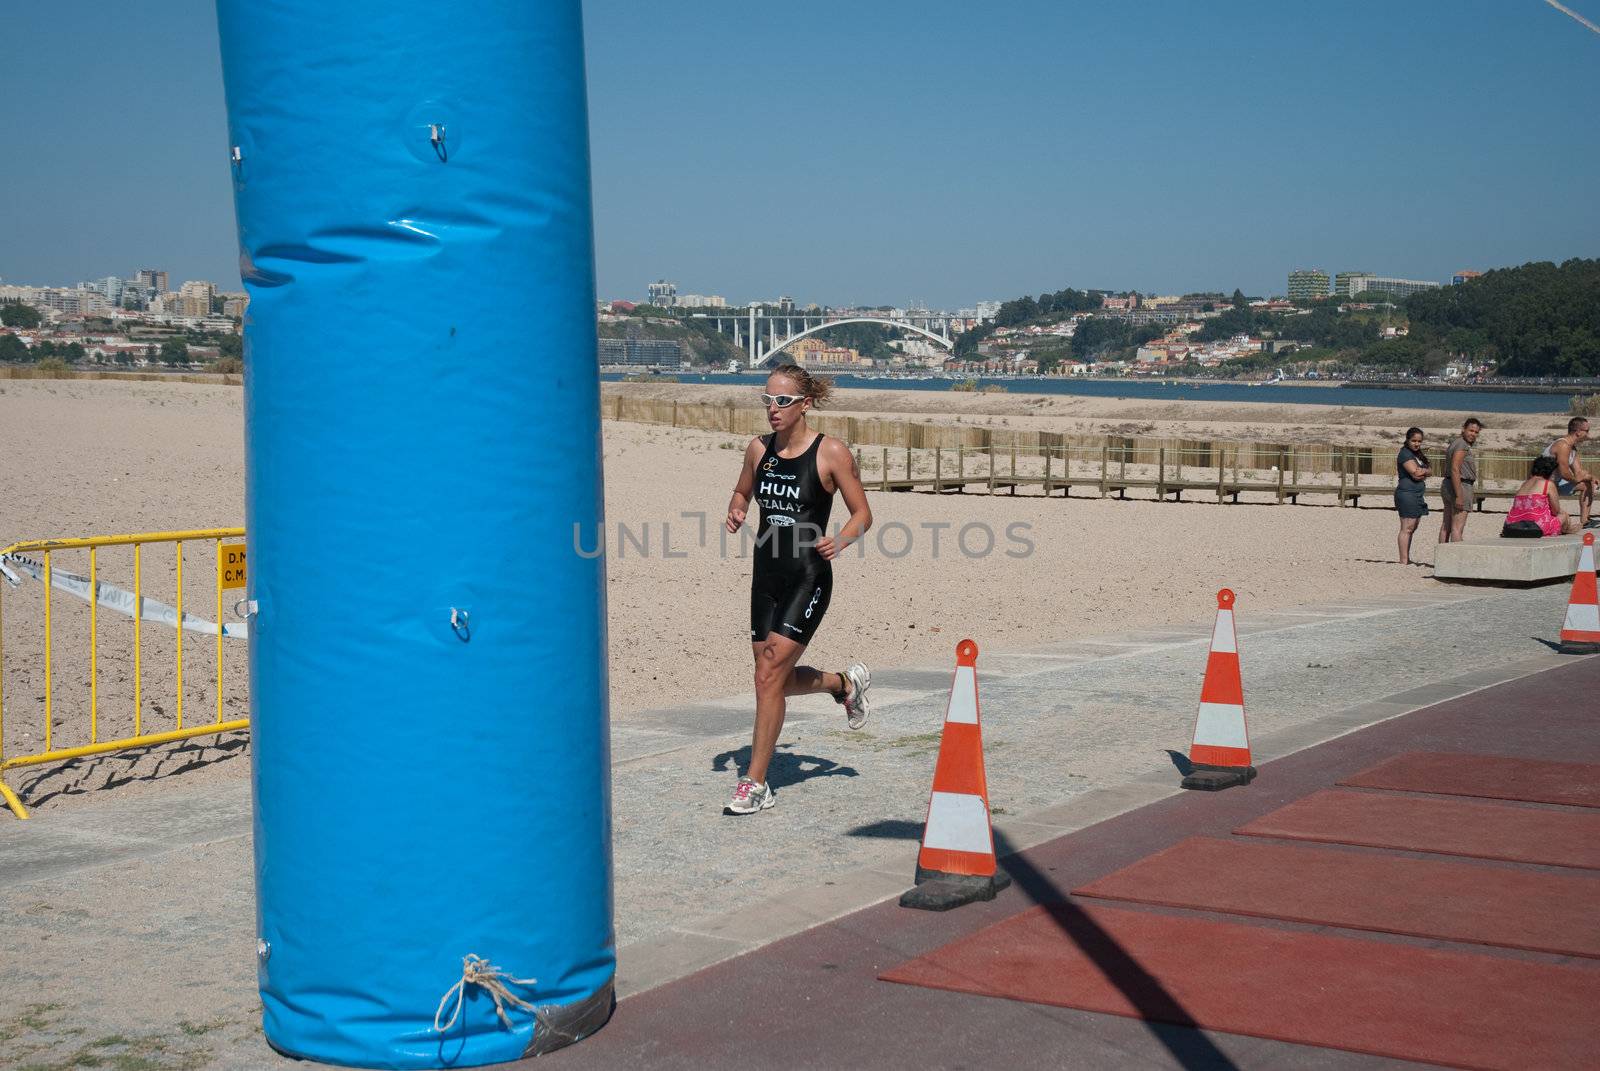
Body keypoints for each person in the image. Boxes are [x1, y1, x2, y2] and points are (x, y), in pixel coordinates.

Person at [722, 363, 874, 816]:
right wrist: (735, 509)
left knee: (768, 675)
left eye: (782, 401)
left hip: (809, 576)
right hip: (766, 575)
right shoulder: (758, 450)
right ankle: (843, 684)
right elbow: (742, 492)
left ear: (804, 404)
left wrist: (842, 539)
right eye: (767, 399)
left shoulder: (830, 454)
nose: (773, 409)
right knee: (774, 679)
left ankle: (756, 783)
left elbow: (863, 513)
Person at [1502, 455, 1578, 537]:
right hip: (1536, 526)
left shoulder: (1525, 484)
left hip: (1512, 525)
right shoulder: (1547, 484)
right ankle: (1568, 530)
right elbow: (1556, 511)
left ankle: (1568, 529)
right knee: (1563, 515)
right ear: (1550, 472)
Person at [1542, 416, 1596, 529]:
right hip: (1543, 486)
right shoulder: (1563, 445)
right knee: (1564, 521)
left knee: (1588, 484)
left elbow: (1579, 471)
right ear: (1578, 432)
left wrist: (1591, 477)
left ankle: (1585, 521)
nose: (1588, 434)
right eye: (1587, 431)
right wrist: (1579, 479)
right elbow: (1565, 473)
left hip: (1555, 484)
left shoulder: (1572, 448)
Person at [1438, 417, 1482, 544]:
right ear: (1464, 429)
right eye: (1471, 430)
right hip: (1460, 485)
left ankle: (1443, 558)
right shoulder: (1462, 445)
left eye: (1476, 432)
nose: (1473, 434)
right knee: (1457, 528)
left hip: (1448, 484)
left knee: (1446, 526)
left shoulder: (1454, 443)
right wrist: (1459, 495)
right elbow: (1455, 469)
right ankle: (1456, 561)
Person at [1394, 426, 1430, 564]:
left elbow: (1430, 470)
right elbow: (1416, 474)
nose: (1416, 444)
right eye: (1414, 440)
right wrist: (1423, 472)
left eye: (1419, 441)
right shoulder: (1405, 454)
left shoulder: (1418, 455)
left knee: (1414, 526)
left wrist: (1424, 471)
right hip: (1406, 494)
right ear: (1407, 440)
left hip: (1417, 494)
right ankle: (1403, 560)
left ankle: (1407, 558)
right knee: (1406, 527)